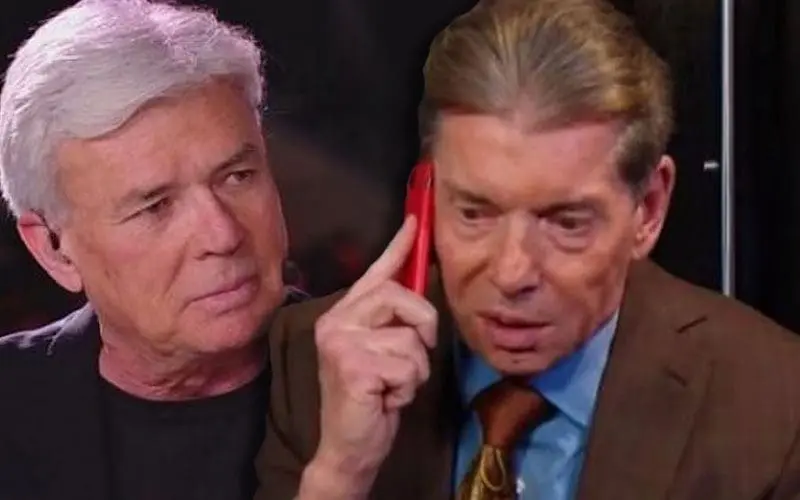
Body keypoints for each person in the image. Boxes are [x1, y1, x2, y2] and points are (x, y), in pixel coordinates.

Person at [256, 0, 800, 499]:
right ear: (426, 195)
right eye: (475, 214)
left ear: (649, 208)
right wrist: (341, 472)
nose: (513, 273)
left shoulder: (774, 404)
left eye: (565, 223)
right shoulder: (314, 366)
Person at [0, 1, 304, 499]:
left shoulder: (403, 389)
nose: (222, 236)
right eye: (156, 207)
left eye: (237, 177)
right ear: (54, 249)